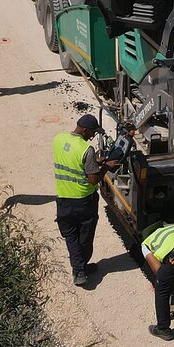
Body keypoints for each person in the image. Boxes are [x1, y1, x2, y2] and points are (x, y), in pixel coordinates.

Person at [53, 113, 116, 286]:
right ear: (85, 130)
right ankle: (79, 270)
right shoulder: (86, 149)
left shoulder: (59, 139)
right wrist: (106, 168)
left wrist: (94, 162)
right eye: (93, 132)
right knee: (85, 237)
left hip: (63, 199)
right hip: (83, 201)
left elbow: (72, 161)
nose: (93, 135)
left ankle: (80, 266)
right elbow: (93, 180)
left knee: (71, 235)